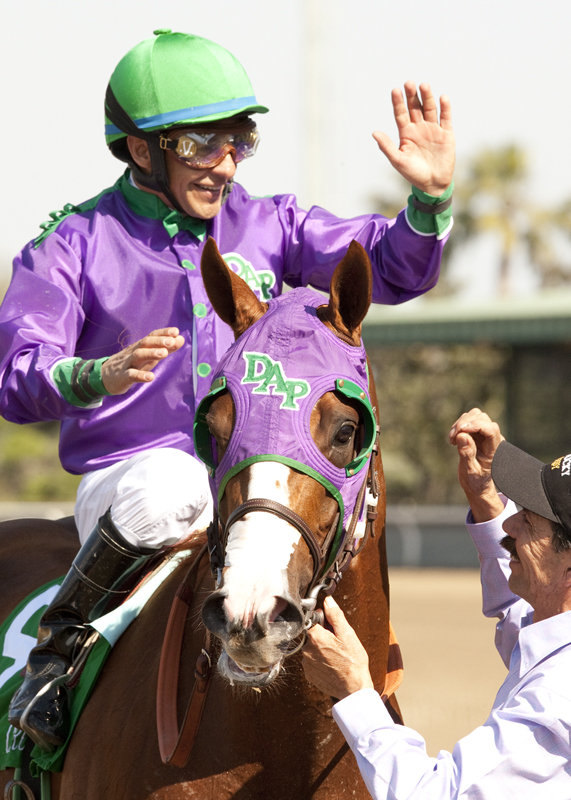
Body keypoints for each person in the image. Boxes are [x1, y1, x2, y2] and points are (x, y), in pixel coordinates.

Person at [0, 28, 455, 752]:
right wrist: (98, 373)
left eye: (238, 139)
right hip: (127, 482)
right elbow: (16, 377)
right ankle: (56, 656)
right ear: (141, 149)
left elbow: (389, 267)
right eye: (199, 145)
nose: (225, 162)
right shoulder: (71, 243)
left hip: (245, 478)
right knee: (174, 484)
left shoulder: (272, 222)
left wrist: (428, 202)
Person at [303, 407, 571, 798]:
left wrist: (355, 692)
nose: (509, 525)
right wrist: (486, 500)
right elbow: (528, 620)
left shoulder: (556, 697)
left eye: (527, 522)